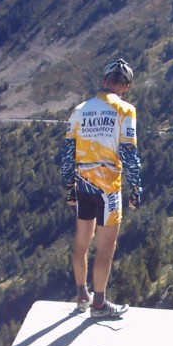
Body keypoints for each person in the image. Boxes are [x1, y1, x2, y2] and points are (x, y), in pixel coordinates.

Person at [60, 58, 142, 318]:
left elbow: (68, 151)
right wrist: (136, 188)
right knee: (107, 247)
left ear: (104, 81)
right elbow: (129, 151)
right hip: (108, 187)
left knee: (82, 241)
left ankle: (81, 294)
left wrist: (69, 186)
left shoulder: (80, 109)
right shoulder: (126, 110)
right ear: (126, 87)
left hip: (83, 183)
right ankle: (99, 304)